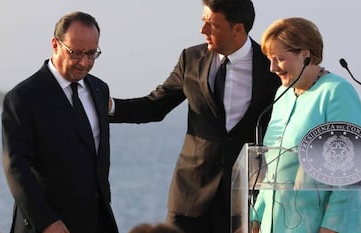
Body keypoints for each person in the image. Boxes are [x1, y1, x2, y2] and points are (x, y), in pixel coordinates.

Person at [109, 0, 280, 233]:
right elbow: (154, 106)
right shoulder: (191, 59)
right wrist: (105, 106)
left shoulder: (270, 68)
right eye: (203, 22)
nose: (203, 31)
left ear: (237, 29)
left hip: (243, 203)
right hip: (189, 197)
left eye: (212, 25)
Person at [2, 11, 118, 233]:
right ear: (55, 45)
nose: (84, 62)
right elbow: (16, 168)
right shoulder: (23, 98)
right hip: (46, 225)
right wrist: (46, 221)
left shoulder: (100, 89)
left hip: (96, 222)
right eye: (76, 53)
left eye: (92, 53)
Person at [250, 17, 361, 233]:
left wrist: (331, 227)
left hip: (318, 227)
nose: (272, 68)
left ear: (305, 54)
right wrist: (255, 218)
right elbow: (273, 169)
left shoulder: (336, 93)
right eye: (270, 59)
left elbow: (348, 172)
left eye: (279, 59)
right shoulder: (282, 95)